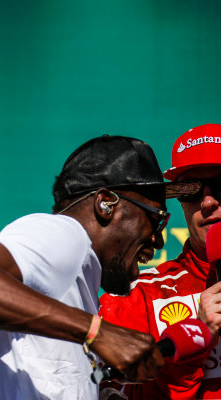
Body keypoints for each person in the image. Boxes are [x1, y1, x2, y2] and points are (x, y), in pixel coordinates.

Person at [0, 135, 170, 400]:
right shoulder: (66, 235)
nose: (158, 239)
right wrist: (97, 332)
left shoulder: (65, 282)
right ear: (106, 204)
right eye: (156, 219)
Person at [99, 124, 221, 399]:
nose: (207, 203)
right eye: (190, 190)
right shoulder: (137, 295)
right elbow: (111, 393)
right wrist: (197, 336)